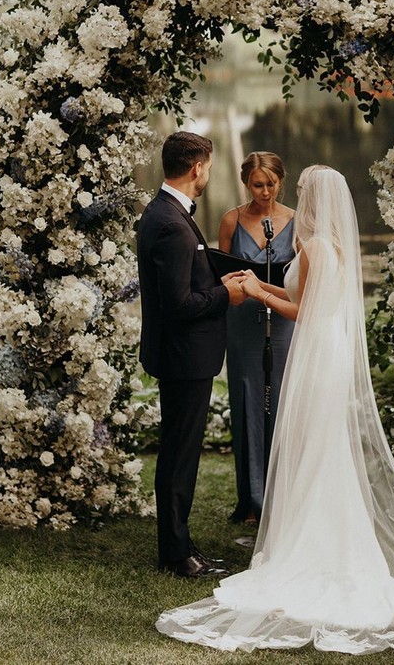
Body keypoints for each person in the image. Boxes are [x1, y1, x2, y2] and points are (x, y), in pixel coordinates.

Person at [156, 165, 394, 653]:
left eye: (301, 192)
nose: (293, 196)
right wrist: (259, 288)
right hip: (325, 351)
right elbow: (300, 296)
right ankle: (322, 532)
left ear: (315, 200)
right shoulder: (327, 247)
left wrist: (257, 293)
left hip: (318, 354)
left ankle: (315, 544)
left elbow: (306, 310)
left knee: (316, 445)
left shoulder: (315, 248)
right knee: (323, 445)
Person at [136, 131, 246, 579]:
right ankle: (177, 554)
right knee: (180, 455)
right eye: (209, 165)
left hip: (183, 356)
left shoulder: (166, 212)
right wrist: (227, 294)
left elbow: (189, 270)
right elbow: (178, 303)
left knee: (180, 453)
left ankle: (178, 544)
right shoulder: (168, 221)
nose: (209, 173)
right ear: (198, 167)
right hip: (184, 356)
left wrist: (227, 272)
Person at [217, 152, 295, 525]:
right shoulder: (231, 220)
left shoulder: (297, 222)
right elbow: (219, 275)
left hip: (281, 323)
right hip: (243, 324)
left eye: (271, 184)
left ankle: (283, 498)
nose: (265, 192)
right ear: (246, 183)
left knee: (281, 404)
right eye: (257, 185)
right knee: (248, 402)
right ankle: (250, 499)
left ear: (281, 180)